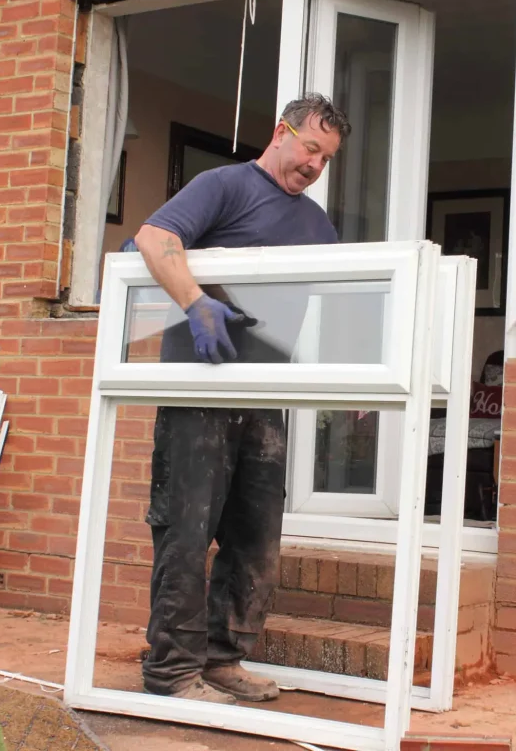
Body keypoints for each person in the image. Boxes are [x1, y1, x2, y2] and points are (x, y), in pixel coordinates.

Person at [132, 94, 351, 705]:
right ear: (281, 132)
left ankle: (224, 660)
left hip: (264, 394)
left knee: (255, 535)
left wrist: (354, 369)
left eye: (326, 158)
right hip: (199, 386)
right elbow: (154, 238)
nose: (314, 165)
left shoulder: (317, 225)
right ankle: (173, 671)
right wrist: (196, 304)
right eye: (311, 148)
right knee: (185, 529)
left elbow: (335, 301)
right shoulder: (223, 185)